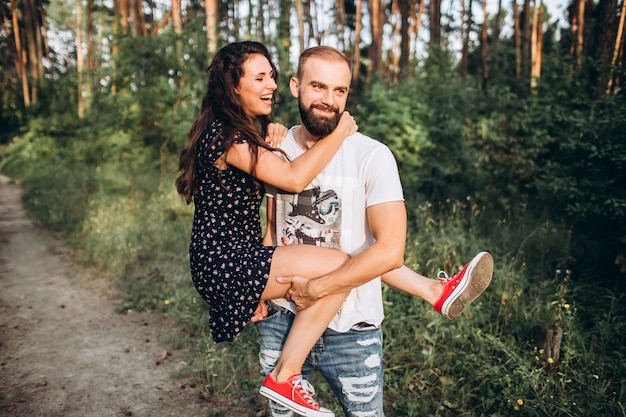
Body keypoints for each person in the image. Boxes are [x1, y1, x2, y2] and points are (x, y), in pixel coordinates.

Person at [175, 41, 491, 417]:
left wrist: (256, 284)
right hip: (240, 276)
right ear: (235, 87)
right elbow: (290, 183)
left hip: (316, 305)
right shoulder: (236, 138)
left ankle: (436, 291)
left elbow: (385, 249)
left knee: (344, 261)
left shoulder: (363, 154)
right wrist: (337, 133)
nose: (269, 85)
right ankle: (286, 374)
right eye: (259, 78)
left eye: (339, 90)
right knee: (339, 262)